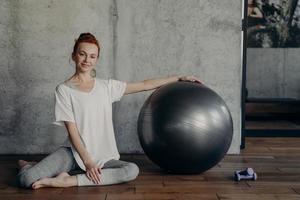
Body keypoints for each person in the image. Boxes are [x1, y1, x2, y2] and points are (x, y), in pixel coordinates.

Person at [17, 33, 201, 189]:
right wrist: (87, 162)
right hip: (73, 153)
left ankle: (68, 181)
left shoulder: (106, 87)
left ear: (97, 59)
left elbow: (145, 85)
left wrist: (179, 77)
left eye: (92, 56)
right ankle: (28, 166)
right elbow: (72, 133)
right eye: (82, 54)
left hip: (103, 157)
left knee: (131, 170)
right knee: (26, 179)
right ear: (74, 56)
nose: (87, 60)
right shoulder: (63, 90)